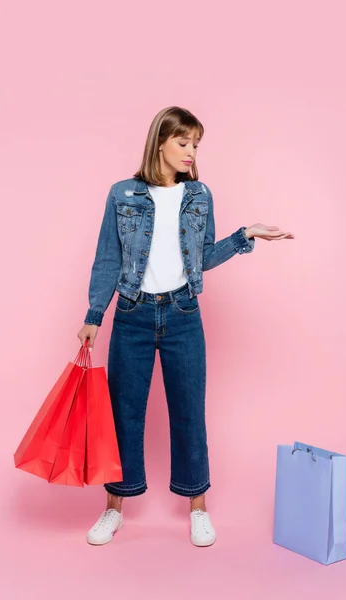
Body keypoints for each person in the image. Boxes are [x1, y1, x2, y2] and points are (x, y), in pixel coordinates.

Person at [77, 106, 294, 547]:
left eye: (196, 144)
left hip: (182, 316)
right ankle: (113, 509)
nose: (191, 151)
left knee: (189, 413)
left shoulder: (199, 196)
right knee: (125, 415)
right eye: (183, 142)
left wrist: (243, 236)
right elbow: (107, 258)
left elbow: (202, 259)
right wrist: (93, 316)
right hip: (132, 317)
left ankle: (197, 508)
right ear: (161, 141)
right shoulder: (123, 194)